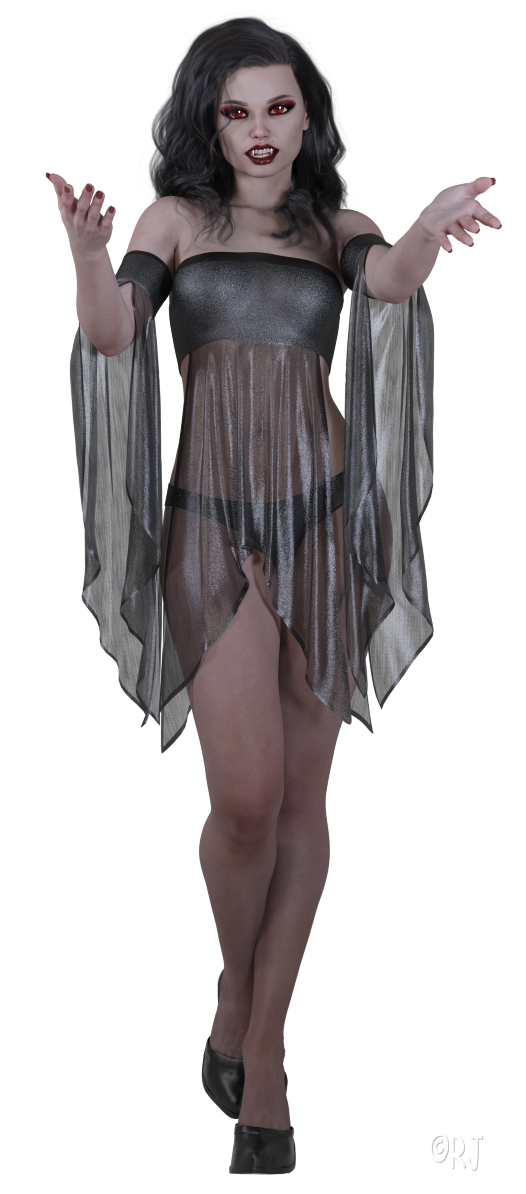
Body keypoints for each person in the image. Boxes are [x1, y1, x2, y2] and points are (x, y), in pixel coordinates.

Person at [46, 12, 501, 1175]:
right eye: (236, 110)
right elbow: (113, 337)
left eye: (278, 107)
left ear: (307, 121)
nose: (258, 129)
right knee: (244, 802)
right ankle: (234, 987)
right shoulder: (173, 221)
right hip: (209, 526)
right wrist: (90, 260)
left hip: (324, 525)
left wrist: (425, 228)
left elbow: (388, 281)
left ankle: (263, 1047)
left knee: (304, 803)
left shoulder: (335, 228)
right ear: (211, 123)